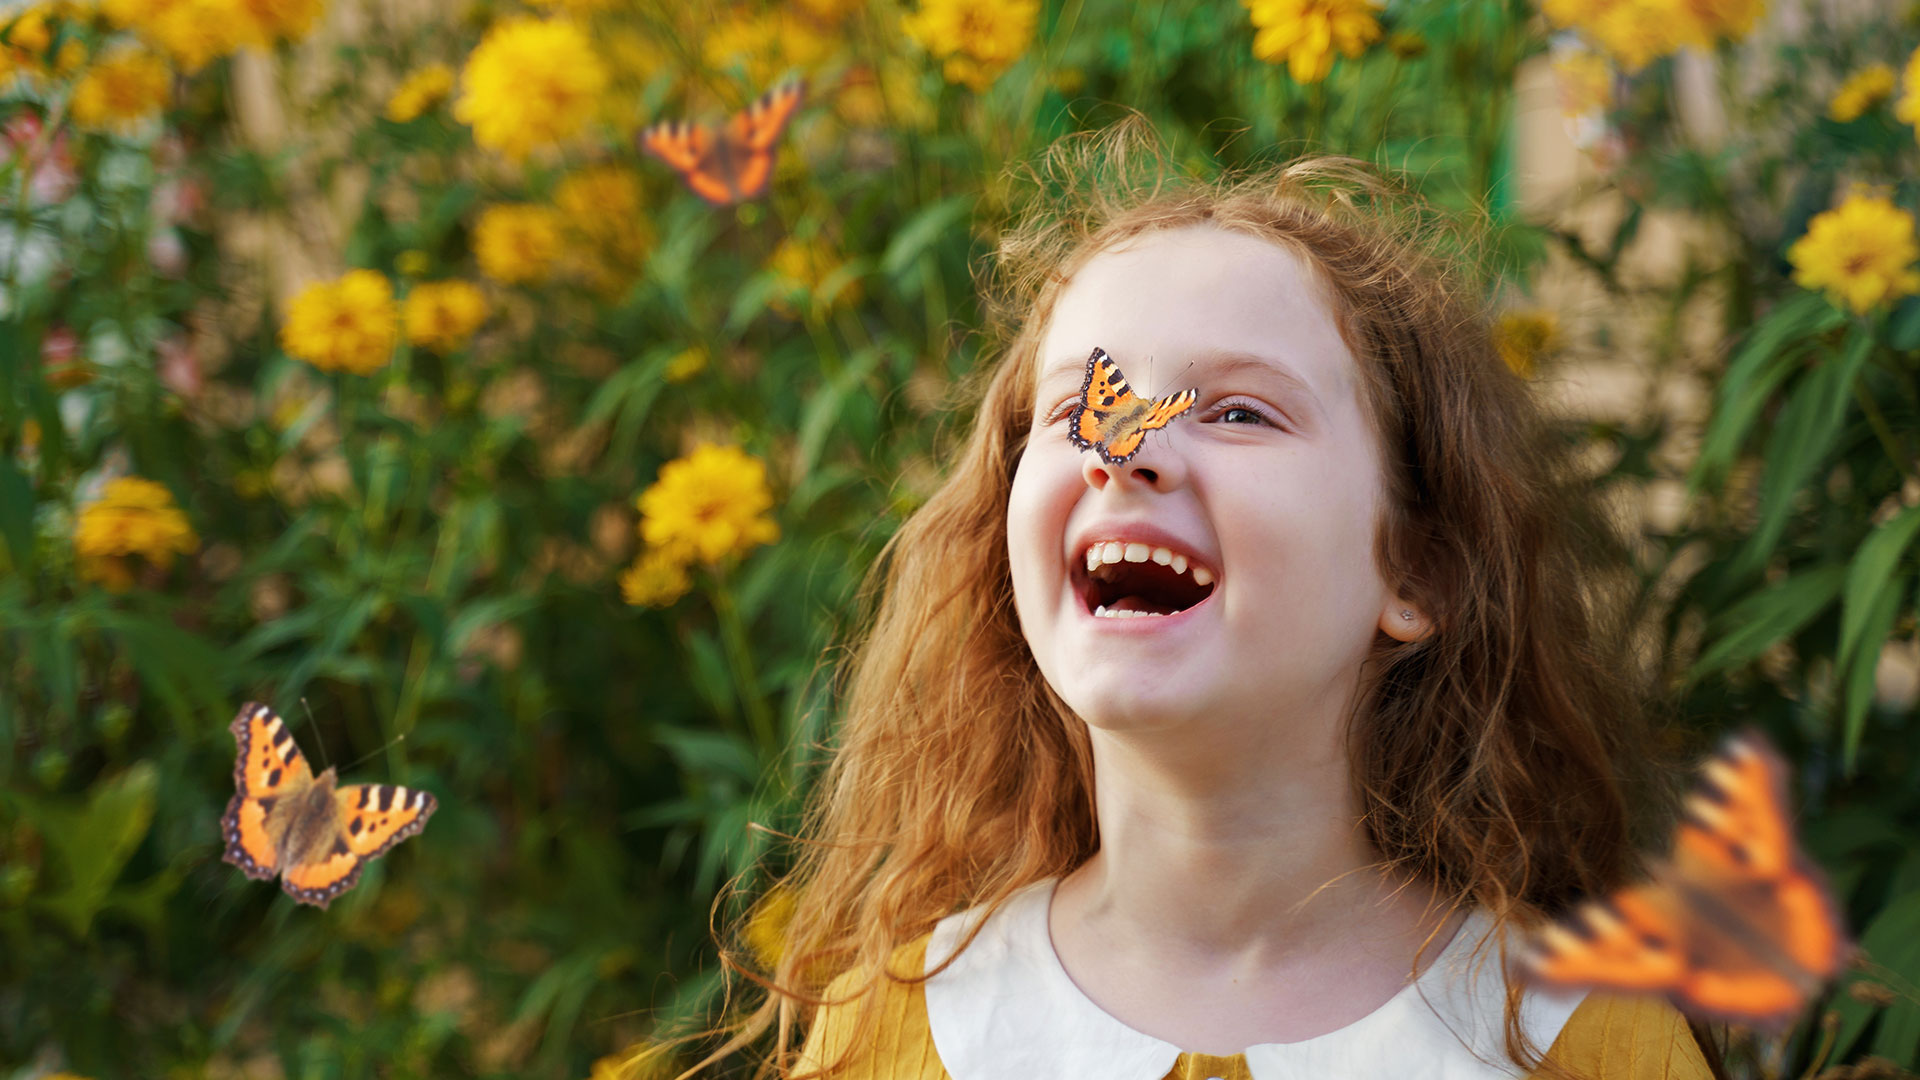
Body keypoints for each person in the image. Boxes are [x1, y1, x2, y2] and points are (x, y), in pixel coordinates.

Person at [694, 122, 1719, 1080]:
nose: (1123, 452)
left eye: (1237, 412)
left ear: (1419, 571)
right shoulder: (892, 1029)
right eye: (1081, 407)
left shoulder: (1586, 1039)